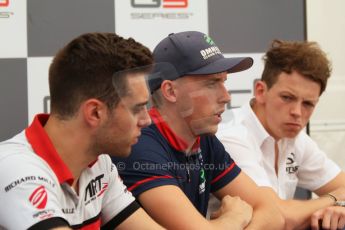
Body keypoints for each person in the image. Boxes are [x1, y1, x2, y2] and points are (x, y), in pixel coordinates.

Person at [112, 31, 285, 229]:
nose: (226, 96)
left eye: (224, 82)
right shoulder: (140, 144)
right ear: (170, 91)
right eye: (212, 83)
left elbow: (273, 214)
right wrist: (236, 217)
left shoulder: (203, 139)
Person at [0, 33, 163, 229]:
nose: (147, 120)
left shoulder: (99, 164)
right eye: (137, 108)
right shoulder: (17, 168)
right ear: (95, 113)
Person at [216, 39, 345, 229]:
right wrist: (336, 199)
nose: (297, 112)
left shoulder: (295, 136)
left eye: (308, 104)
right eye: (287, 98)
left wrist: (339, 208)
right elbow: (279, 215)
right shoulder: (233, 136)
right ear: (260, 91)